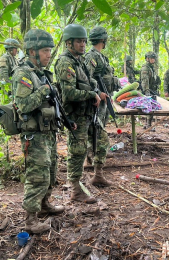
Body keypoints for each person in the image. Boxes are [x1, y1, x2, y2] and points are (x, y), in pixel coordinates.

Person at [12, 29, 65, 234]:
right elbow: (23, 105)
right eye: (45, 50)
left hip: (47, 131)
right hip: (34, 134)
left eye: (50, 50)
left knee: (51, 171)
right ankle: (30, 220)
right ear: (32, 51)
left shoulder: (41, 73)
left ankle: (45, 204)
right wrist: (44, 90)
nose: (49, 54)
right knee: (37, 175)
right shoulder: (23, 74)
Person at [55, 24, 107, 204]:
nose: (83, 44)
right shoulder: (65, 62)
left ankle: (98, 175)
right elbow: (69, 93)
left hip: (87, 112)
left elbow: (89, 79)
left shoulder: (79, 60)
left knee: (101, 140)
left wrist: (96, 89)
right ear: (69, 43)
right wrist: (91, 94)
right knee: (77, 151)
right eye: (79, 41)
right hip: (75, 114)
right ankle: (75, 189)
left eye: (84, 41)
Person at [84, 26, 119, 187]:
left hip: (104, 99)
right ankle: (96, 170)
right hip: (96, 100)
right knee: (98, 133)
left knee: (100, 130)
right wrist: (98, 92)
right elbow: (86, 79)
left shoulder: (100, 56)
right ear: (103, 40)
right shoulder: (91, 56)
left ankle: (92, 158)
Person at [140, 51, 160, 129]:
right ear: (147, 59)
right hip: (148, 90)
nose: (153, 60)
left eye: (154, 58)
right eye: (152, 58)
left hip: (152, 90)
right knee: (149, 107)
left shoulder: (151, 67)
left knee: (151, 108)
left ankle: (148, 124)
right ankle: (148, 125)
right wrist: (147, 91)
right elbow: (145, 81)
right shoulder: (145, 68)